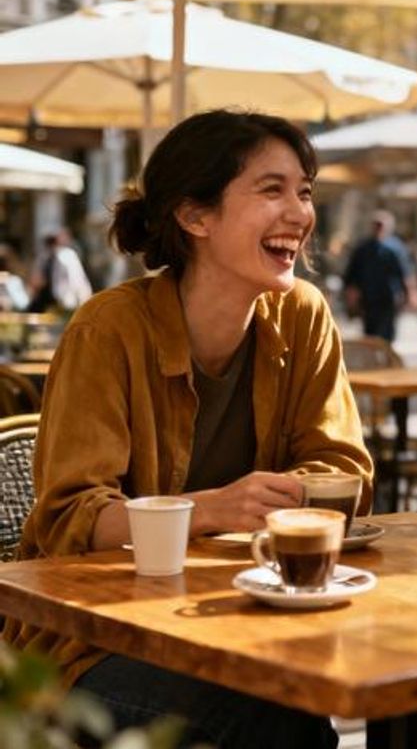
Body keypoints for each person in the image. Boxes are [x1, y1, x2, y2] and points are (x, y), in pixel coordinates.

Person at [3, 109, 373, 748]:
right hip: (93, 643)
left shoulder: (303, 316)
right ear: (195, 217)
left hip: (239, 617)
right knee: (273, 712)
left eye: (305, 191)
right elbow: (73, 519)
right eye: (271, 189)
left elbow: (344, 472)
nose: (301, 212)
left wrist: (285, 502)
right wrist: (213, 509)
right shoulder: (108, 330)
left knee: (327, 693)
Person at [342, 209, 417, 343]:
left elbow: (406, 272)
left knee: (387, 332)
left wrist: (412, 292)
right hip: (368, 297)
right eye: (376, 225)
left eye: (381, 225)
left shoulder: (396, 248)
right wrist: (351, 295)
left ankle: (386, 360)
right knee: (370, 333)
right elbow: (352, 275)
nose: (379, 228)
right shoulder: (363, 249)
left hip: (389, 297)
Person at [27, 230, 92, 313]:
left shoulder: (67, 256)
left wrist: (82, 296)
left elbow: (76, 279)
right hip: (46, 296)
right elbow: (37, 277)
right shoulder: (43, 257)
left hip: (63, 298)